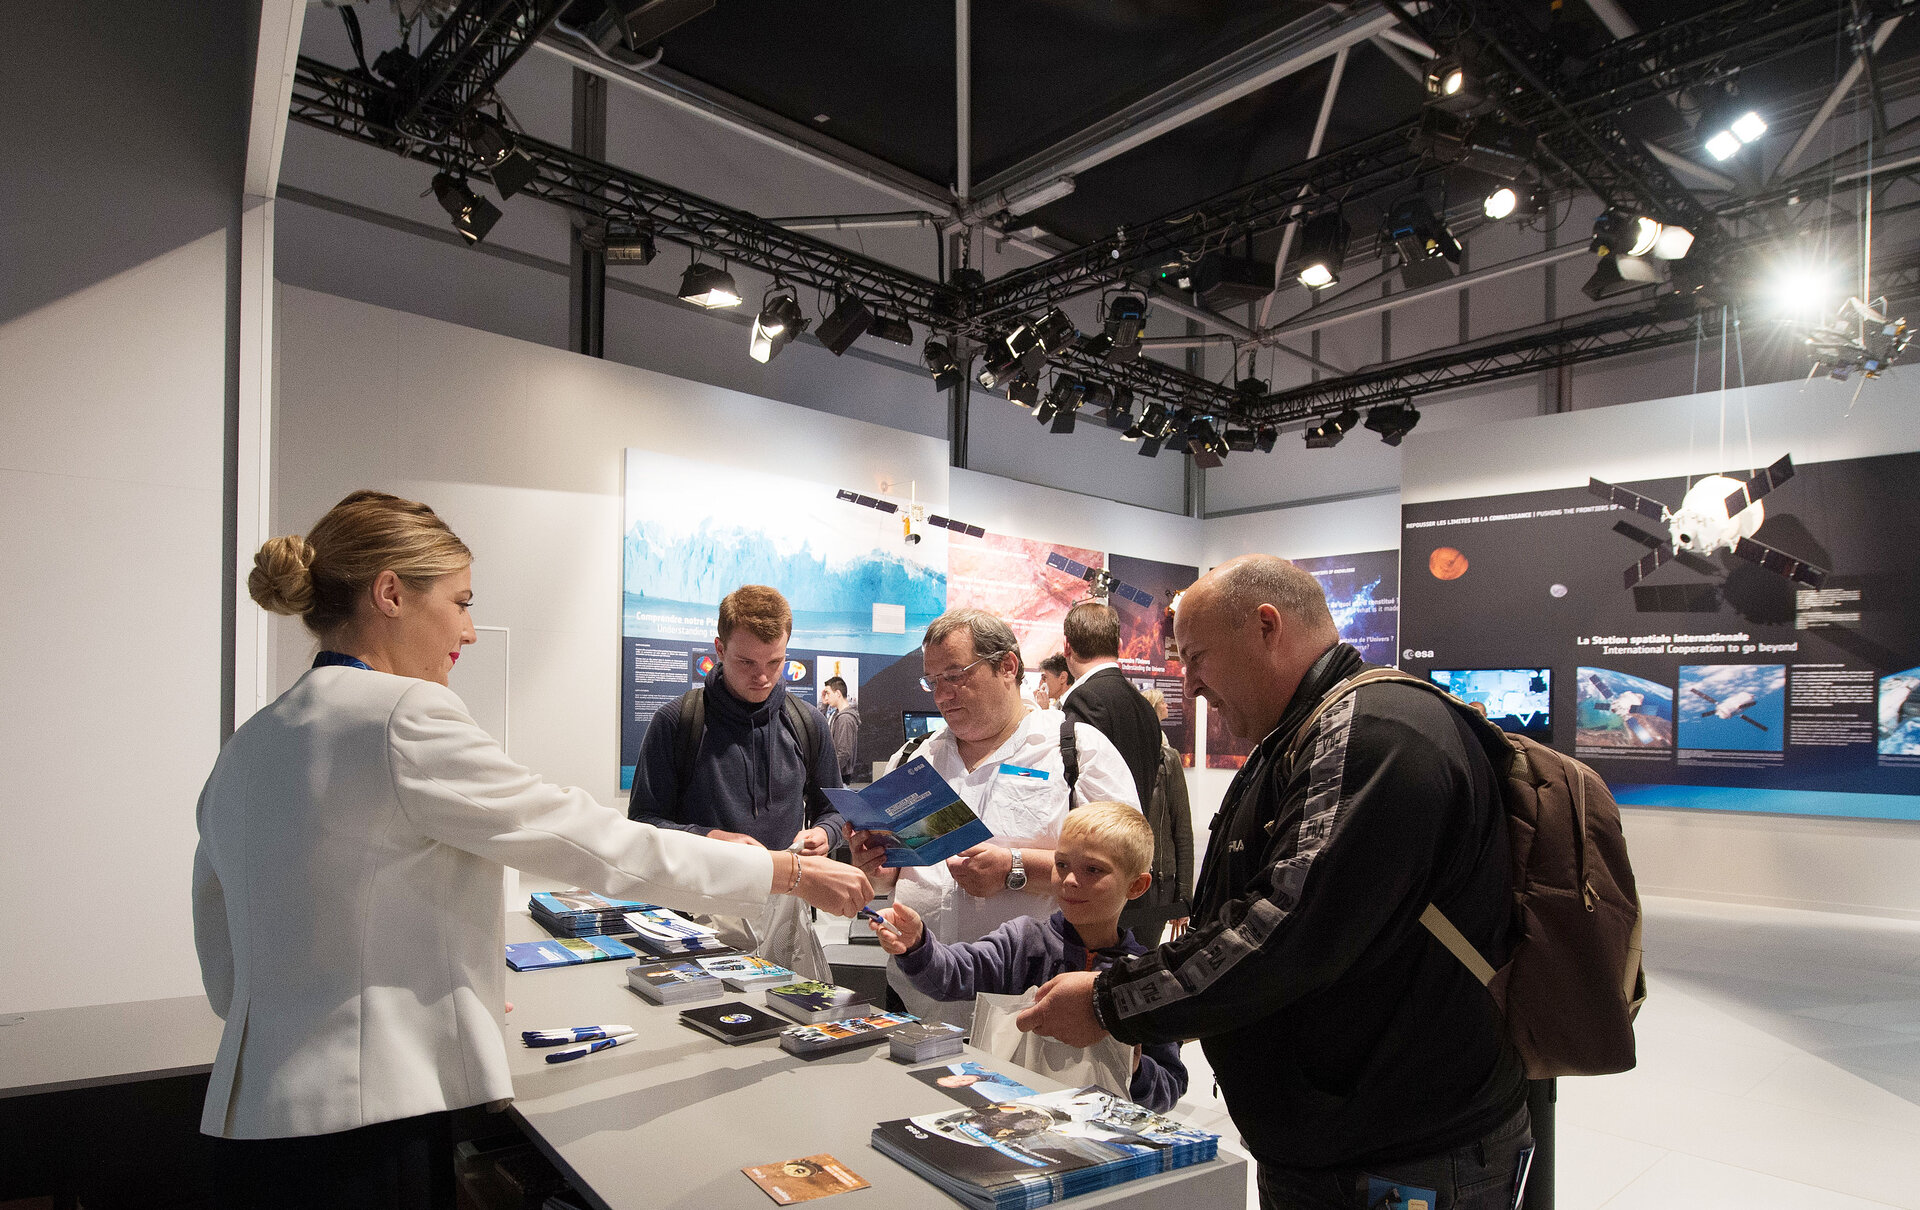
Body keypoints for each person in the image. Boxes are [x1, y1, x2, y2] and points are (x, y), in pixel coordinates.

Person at [196, 490, 871, 1208]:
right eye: (461, 602)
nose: (473, 630)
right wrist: (784, 870)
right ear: (390, 594)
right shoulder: (403, 716)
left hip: (251, 1124)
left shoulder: (253, 740)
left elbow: (223, 958)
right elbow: (595, 841)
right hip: (366, 1130)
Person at [1016, 555, 1530, 1210]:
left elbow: (1283, 928)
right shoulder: (1313, 731)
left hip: (1402, 1151)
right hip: (1347, 1140)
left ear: (1266, 626)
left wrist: (1110, 1000)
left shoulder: (1371, 734)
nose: (1190, 684)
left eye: (1198, 658)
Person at [850, 608, 1141, 1025]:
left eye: (955, 675)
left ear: (1008, 666)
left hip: (1029, 1007)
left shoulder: (1075, 750)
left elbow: (1127, 870)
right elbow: (889, 878)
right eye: (933, 681)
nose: (941, 695)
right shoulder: (914, 758)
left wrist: (1014, 868)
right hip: (913, 994)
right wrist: (875, 868)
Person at [874, 802, 1188, 1112]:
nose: (1070, 880)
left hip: (1099, 1142)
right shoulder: (1023, 940)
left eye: (1093, 869)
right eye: (1062, 864)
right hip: (1010, 1120)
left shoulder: (1145, 977)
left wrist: (1136, 1070)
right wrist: (916, 946)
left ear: (1136, 885)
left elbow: (1169, 1086)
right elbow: (953, 974)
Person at [628, 585, 845, 854]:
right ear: (720, 649)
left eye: (774, 662)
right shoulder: (676, 722)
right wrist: (707, 838)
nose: (763, 677)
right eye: (746, 663)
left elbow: (834, 812)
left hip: (786, 892)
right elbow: (642, 824)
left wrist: (827, 832)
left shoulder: (808, 723)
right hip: (701, 892)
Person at [1057, 602, 1163, 835]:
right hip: (1133, 842)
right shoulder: (1145, 705)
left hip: (1099, 842)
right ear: (1120, 645)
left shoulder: (1083, 699)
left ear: (1067, 647)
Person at [1120, 688, 1193, 945]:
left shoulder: (1168, 760)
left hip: (1158, 887)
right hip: (1119, 884)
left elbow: (1181, 830)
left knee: (1144, 960)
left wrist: (1184, 898)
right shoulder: (1112, 761)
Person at [821, 675, 861, 783]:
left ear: (838, 693)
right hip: (836, 774)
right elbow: (817, 724)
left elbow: (844, 752)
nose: (826, 697)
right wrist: (823, 705)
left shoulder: (845, 719)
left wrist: (827, 773)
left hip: (839, 777)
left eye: (828, 693)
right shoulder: (837, 715)